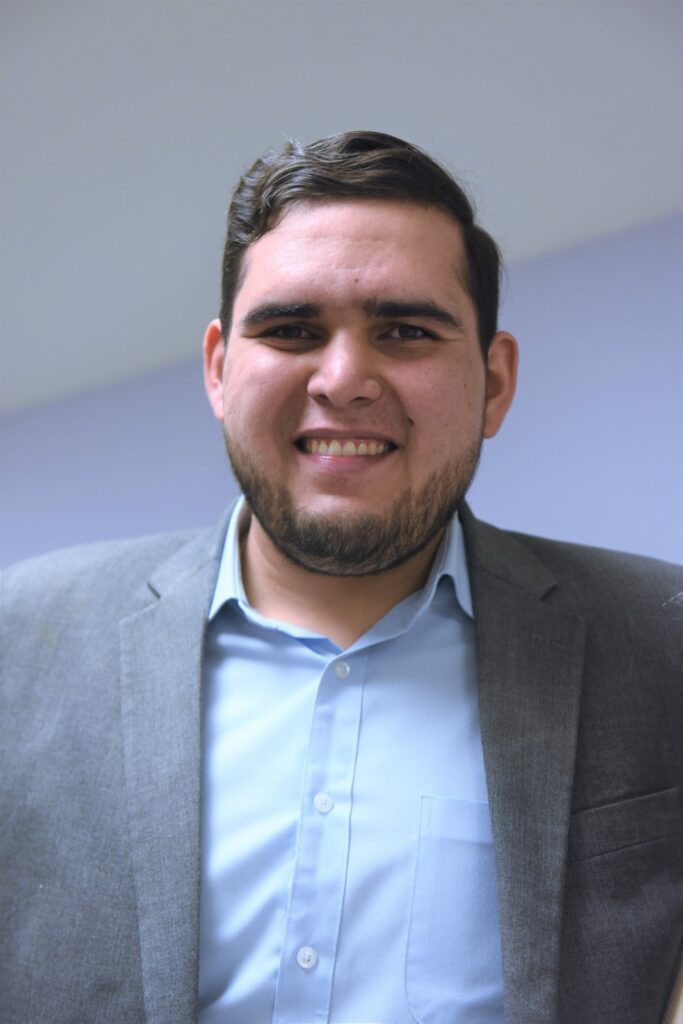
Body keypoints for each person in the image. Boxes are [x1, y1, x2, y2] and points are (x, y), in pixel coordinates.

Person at [1, 131, 681, 1024]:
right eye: (291, 330)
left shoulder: (663, 639)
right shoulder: (20, 642)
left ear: (493, 383)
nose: (344, 379)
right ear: (218, 370)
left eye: (405, 331)